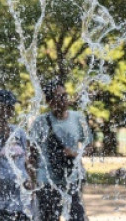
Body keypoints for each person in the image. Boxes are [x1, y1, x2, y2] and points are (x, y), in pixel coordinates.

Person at [32, 80, 93, 221]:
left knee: (78, 217)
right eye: (59, 96)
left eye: (65, 95)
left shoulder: (78, 118)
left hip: (71, 179)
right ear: (50, 101)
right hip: (47, 182)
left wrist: (75, 153)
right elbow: (31, 155)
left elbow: (90, 147)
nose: (64, 99)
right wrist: (32, 182)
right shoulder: (40, 122)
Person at [0, 89, 36, 221]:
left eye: (12, 106)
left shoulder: (19, 132)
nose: (11, 110)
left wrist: (32, 185)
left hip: (21, 196)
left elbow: (27, 162)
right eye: (8, 106)